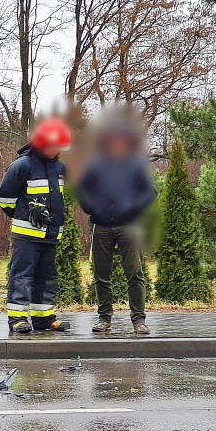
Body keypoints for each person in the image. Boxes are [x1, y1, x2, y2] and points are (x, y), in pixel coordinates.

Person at [76, 111, 157, 335]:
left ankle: (139, 321)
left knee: (135, 275)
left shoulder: (135, 164)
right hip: (101, 227)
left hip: (129, 227)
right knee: (102, 276)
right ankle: (104, 319)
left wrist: (133, 208)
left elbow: (150, 192)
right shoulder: (95, 163)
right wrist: (93, 208)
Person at [0, 117, 73, 334]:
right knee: (22, 276)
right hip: (26, 234)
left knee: (47, 277)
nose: (54, 150)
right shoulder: (21, 166)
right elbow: (4, 198)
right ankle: (17, 319)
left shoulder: (60, 168)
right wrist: (26, 211)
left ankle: (44, 318)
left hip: (51, 234)